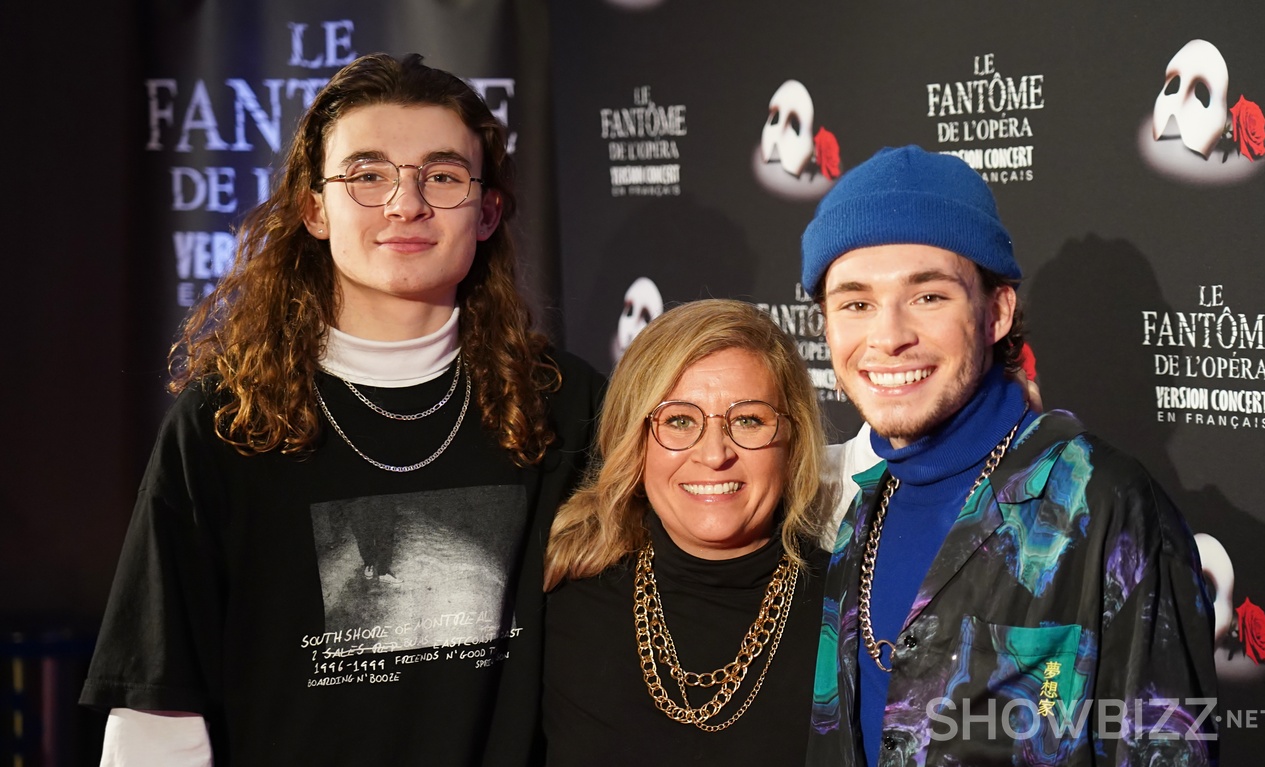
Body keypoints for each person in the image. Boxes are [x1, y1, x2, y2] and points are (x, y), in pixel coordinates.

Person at [80, 53, 602, 766]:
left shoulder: (564, 407)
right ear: (314, 208)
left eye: (442, 176)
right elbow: (158, 718)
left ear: (487, 213)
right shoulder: (225, 423)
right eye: (368, 174)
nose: (405, 203)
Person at [800, 145, 1218, 765]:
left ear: (996, 312)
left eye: (929, 297)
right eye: (855, 303)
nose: (887, 337)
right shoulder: (861, 513)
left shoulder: (1107, 505)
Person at [543, 299, 830, 766]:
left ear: (792, 442)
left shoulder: (851, 612)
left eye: (748, 420)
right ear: (634, 441)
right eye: (679, 420)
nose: (715, 454)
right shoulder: (560, 599)